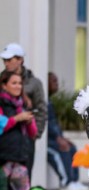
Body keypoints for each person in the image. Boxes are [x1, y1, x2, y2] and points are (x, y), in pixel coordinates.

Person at [1, 43, 46, 176]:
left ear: (20, 60)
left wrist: (35, 135)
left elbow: (41, 110)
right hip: (4, 138)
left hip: (26, 138)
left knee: (24, 178)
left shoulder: (34, 83)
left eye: (9, 59)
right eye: (4, 60)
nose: (6, 63)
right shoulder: (2, 80)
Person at [47, 72, 89, 190]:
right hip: (46, 142)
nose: (57, 84)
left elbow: (54, 124)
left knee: (72, 148)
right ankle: (66, 183)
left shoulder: (49, 101)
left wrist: (62, 137)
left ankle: (74, 181)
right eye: (54, 81)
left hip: (54, 138)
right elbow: (46, 124)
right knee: (62, 150)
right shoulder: (43, 102)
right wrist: (58, 138)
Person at [0, 70, 37, 190]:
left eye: (20, 83)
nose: (18, 86)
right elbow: (2, 125)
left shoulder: (23, 105)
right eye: (14, 83)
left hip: (19, 159)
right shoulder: (1, 104)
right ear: (4, 85)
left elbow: (33, 133)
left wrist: (29, 121)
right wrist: (17, 119)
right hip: (3, 160)